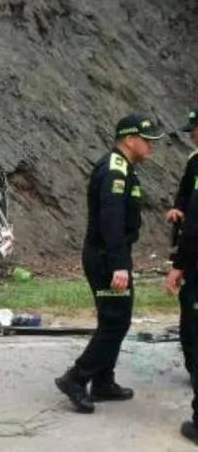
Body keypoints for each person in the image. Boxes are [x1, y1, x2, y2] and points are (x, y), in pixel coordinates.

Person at [56, 113, 165, 413]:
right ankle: (76, 378)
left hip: (111, 255)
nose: (151, 146)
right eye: (147, 140)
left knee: (113, 319)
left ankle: (103, 381)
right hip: (106, 257)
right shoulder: (115, 170)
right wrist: (119, 265)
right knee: (116, 321)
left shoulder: (125, 168)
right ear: (130, 139)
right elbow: (111, 220)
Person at [165, 108, 198, 444]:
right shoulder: (194, 161)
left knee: (192, 321)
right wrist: (179, 210)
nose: (191, 135)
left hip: (196, 260)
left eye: (195, 129)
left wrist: (179, 265)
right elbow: (185, 196)